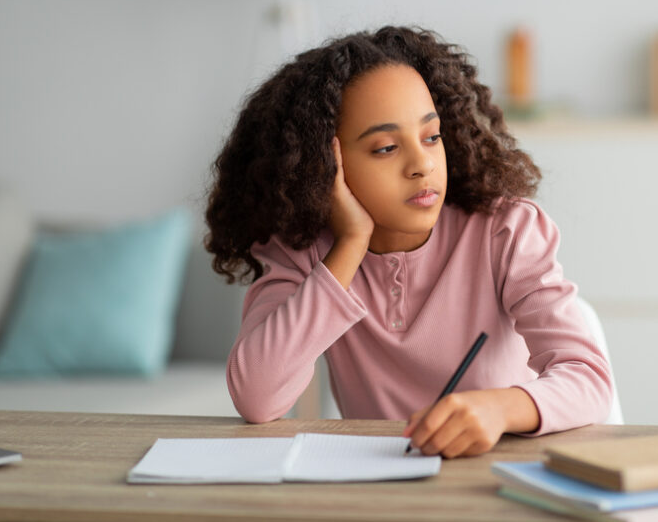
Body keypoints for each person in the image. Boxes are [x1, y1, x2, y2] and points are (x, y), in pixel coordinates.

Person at [204, 26, 613, 458]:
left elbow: (589, 379)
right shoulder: (303, 250)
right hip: (377, 491)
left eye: (431, 137)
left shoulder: (503, 232)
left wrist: (500, 408)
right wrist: (349, 245)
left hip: (495, 476)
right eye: (385, 148)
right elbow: (257, 396)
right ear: (325, 165)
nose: (421, 164)